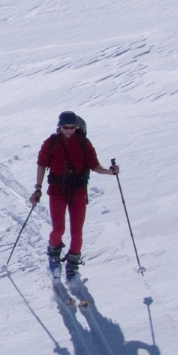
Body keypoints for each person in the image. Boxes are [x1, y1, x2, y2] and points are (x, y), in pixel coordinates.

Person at [29, 111, 118, 278]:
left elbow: (95, 166)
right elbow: (41, 165)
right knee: (58, 229)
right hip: (57, 191)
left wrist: (109, 172)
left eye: (72, 127)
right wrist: (38, 188)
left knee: (77, 232)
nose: (69, 130)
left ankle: (73, 263)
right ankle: (54, 254)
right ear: (60, 126)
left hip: (78, 191)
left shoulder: (84, 143)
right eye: (65, 127)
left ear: (77, 126)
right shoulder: (51, 143)